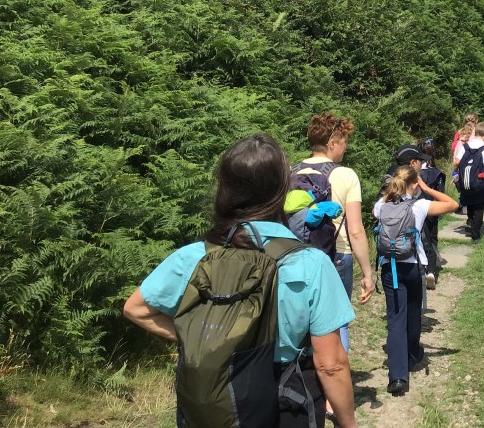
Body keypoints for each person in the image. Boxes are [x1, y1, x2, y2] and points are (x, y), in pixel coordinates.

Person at [123, 135, 359, 428]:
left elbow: (136, 309)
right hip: (288, 402)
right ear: (281, 191)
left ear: (225, 189)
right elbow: (331, 364)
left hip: (215, 403)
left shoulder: (194, 256)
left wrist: (205, 339)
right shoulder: (311, 263)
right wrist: (348, 423)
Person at [375, 146, 459, 396]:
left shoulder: (381, 206)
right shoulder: (420, 206)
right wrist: (426, 187)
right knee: (413, 314)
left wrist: (395, 189)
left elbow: (380, 208)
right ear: (414, 184)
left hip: (389, 267)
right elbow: (452, 204)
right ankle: (413, 354)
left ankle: (397, 378)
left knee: (395, 319)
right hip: (413, 266)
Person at [293, 112, 375, 357]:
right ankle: (337, 378)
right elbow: (356, 230)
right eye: (344, 141)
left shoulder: (291, 171)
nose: (346, 146)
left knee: (301, 322)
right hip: (335, 255)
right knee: (337, 324)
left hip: (295, 256)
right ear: (332, 143)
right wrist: (368, 273)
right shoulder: (345, 175)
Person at [453, 122, 484, 239]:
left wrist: (455, 172)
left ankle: (470, 223)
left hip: (466, 181)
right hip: (479, 182)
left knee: (470, 203)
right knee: (479, 207)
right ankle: (475, 233)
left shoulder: (465, 147)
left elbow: (456, 162)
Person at [417, 138, 446, 290]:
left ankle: (421, 267)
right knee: (432, 239)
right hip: (432, 209)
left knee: (419, 238)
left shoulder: (414, 174)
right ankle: (431, 271)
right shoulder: (437, 173)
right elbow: (441, 193)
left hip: (416, 209)